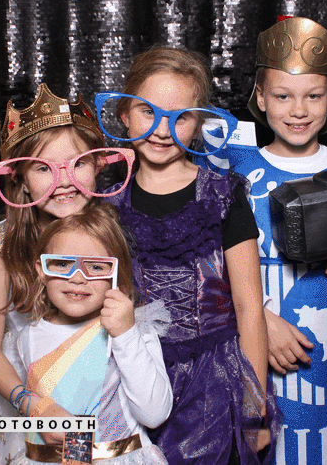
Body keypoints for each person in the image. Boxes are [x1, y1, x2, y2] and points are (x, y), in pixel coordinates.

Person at [199, 17, 327, 465]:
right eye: (282, 96)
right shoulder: (231, 173)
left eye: (313, 96)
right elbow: (204, 265)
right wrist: (259, 319)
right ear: (260, 97)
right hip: (259, 360)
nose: (298, 110)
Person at [95, 46, 278, 465]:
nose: (163, 130)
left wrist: (254, 412)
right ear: (124, 115)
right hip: (133, 379)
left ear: (198, 125)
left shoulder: (223, 195)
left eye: (180, 117)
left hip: (214, 387)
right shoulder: (106, 204)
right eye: (148, 112)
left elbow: (250, 309)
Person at [0, 84, 135, 464]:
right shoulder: (0, 244)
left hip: (96, 389)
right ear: (20, 179)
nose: (64, 180)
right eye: (43, 168)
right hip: (18, 391)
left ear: (99, 164)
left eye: (78, 163)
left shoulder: (111, 230)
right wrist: (35, 405)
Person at [15, 201, 172, 464]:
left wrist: (125, 334)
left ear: (117, 274)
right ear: (41, 271)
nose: (78, 278)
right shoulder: (27, 337)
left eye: (96, 267)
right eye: (62, 264)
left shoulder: (132, 330)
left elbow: (154, 414)